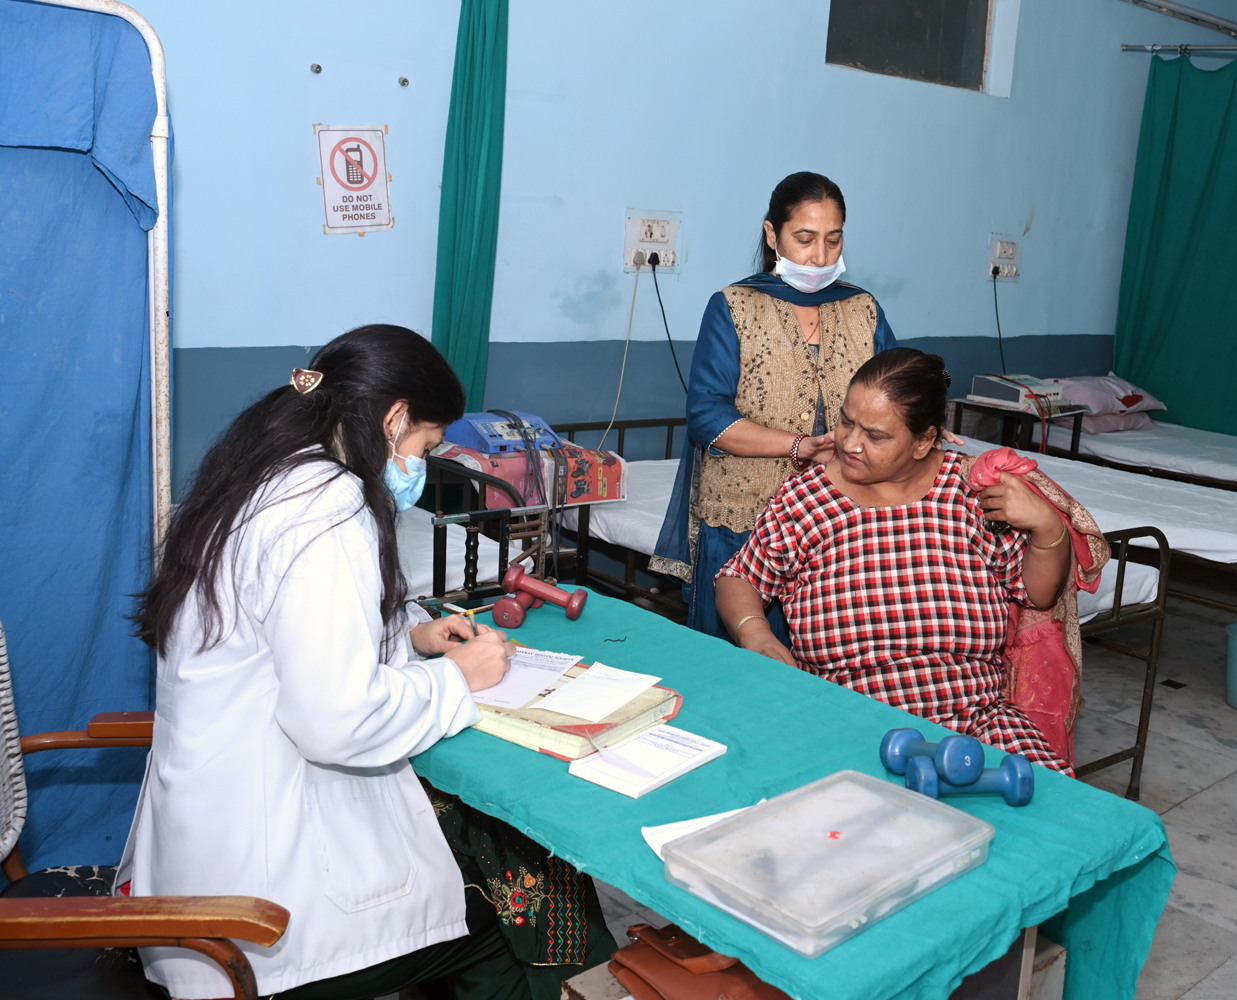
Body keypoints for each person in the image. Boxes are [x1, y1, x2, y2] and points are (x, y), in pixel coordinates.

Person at [125, 326, 612, 1000]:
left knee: (480, 856)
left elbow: (286, 630)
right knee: (532, 907)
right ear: (394, 418)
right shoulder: (327, 507)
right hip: (262, 912)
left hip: (205, 857)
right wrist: (457, 679)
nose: (421, 465)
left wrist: (412, 635)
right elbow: (336, 721)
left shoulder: (261, 474)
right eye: (426, 446)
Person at [713, 348, 1075, 773]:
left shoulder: (971, 493)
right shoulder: (806, 502)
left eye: (876, 435)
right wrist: (755, 634)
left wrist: (1047, 527)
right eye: (846, 420)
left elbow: (1038, 594)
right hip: (848, 722)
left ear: (923, 440)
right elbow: (738, 577)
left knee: (1055, 804)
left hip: (979, 724)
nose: (850, 443)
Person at [651, 171, 899, 640]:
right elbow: (707, 417)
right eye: (804, 239)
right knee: (740, 659)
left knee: (820, 662)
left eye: (833, 239)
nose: (820, 256)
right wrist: (798, 446)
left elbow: (896, 395)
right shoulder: (734, 307)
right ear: (772, 234)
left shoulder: (863, 309)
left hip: (839, 525)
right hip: (744, 522)